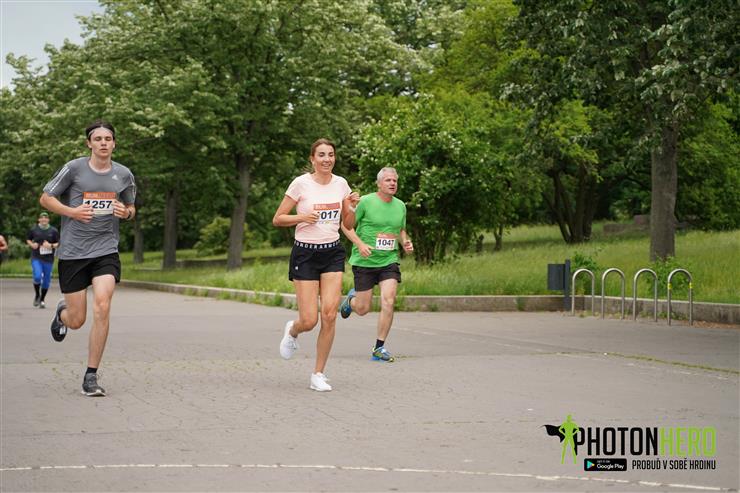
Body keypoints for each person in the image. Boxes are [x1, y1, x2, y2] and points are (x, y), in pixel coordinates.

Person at [39, 120, 136, 397]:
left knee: (102, 306)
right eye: (98, 139)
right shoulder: (74, 169)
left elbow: (131, 207)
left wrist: (125, 213)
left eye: (108, 139)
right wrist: (72, 212)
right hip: (73, 252)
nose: (103, 143)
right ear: (89, 144)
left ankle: (91, 375)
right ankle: (62, 314)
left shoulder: (124, 174)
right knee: (77, 320)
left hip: (106, 249)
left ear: (114, 143)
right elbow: (46, 199)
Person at [272, 138, 359, 391]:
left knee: (329, 315)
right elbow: (278, 218)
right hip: (305, 254)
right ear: (312, 159)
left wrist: (351, 208)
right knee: (309, 320)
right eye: (321, 155)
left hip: (332, 252)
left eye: (330, 154)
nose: (326, 159)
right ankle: (293, 330)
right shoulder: (301, 183)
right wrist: (302, 217)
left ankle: (318, 374)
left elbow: (348, 224)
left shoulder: (341, 184)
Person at [339, 167, 413, 362]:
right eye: (388, 180)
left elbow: (400, 230)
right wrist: (360, 244)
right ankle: (351, 300)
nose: (392, 183)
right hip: (365, 261)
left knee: (389, 300)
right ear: (379, 184)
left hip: (389, 260)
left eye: (395, 180)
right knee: (363, 309)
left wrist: (405, 242)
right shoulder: (366, 202)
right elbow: (346, 226)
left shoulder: (400, 206)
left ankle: (379, 348)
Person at [26, 212, 60, 308]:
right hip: (36, 257)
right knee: (37, 276)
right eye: (42, 218)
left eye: (46, 218)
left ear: (48, 220)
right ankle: (37, 295)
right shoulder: (34, 229)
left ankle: (42, 299)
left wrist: (51, 245)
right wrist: (32, 245)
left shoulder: (53, 231)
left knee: (46, 280)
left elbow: (59, 243)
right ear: (39, 219)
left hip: (48, 259)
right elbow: (28, 239)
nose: (44, 219)